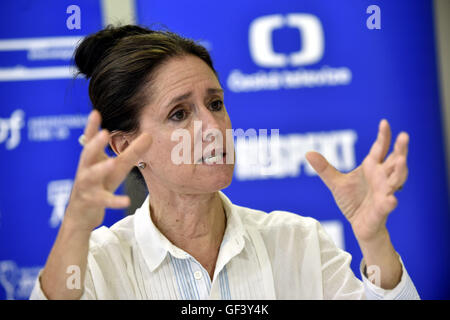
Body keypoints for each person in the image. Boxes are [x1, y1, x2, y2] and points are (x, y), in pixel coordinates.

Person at [30, 24, 419, 300]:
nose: (214, 126)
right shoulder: (97, 263)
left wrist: (374, 241)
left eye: (215, 103)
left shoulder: (297, 242)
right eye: (179, 114)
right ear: (124, 146)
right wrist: (76, 226)